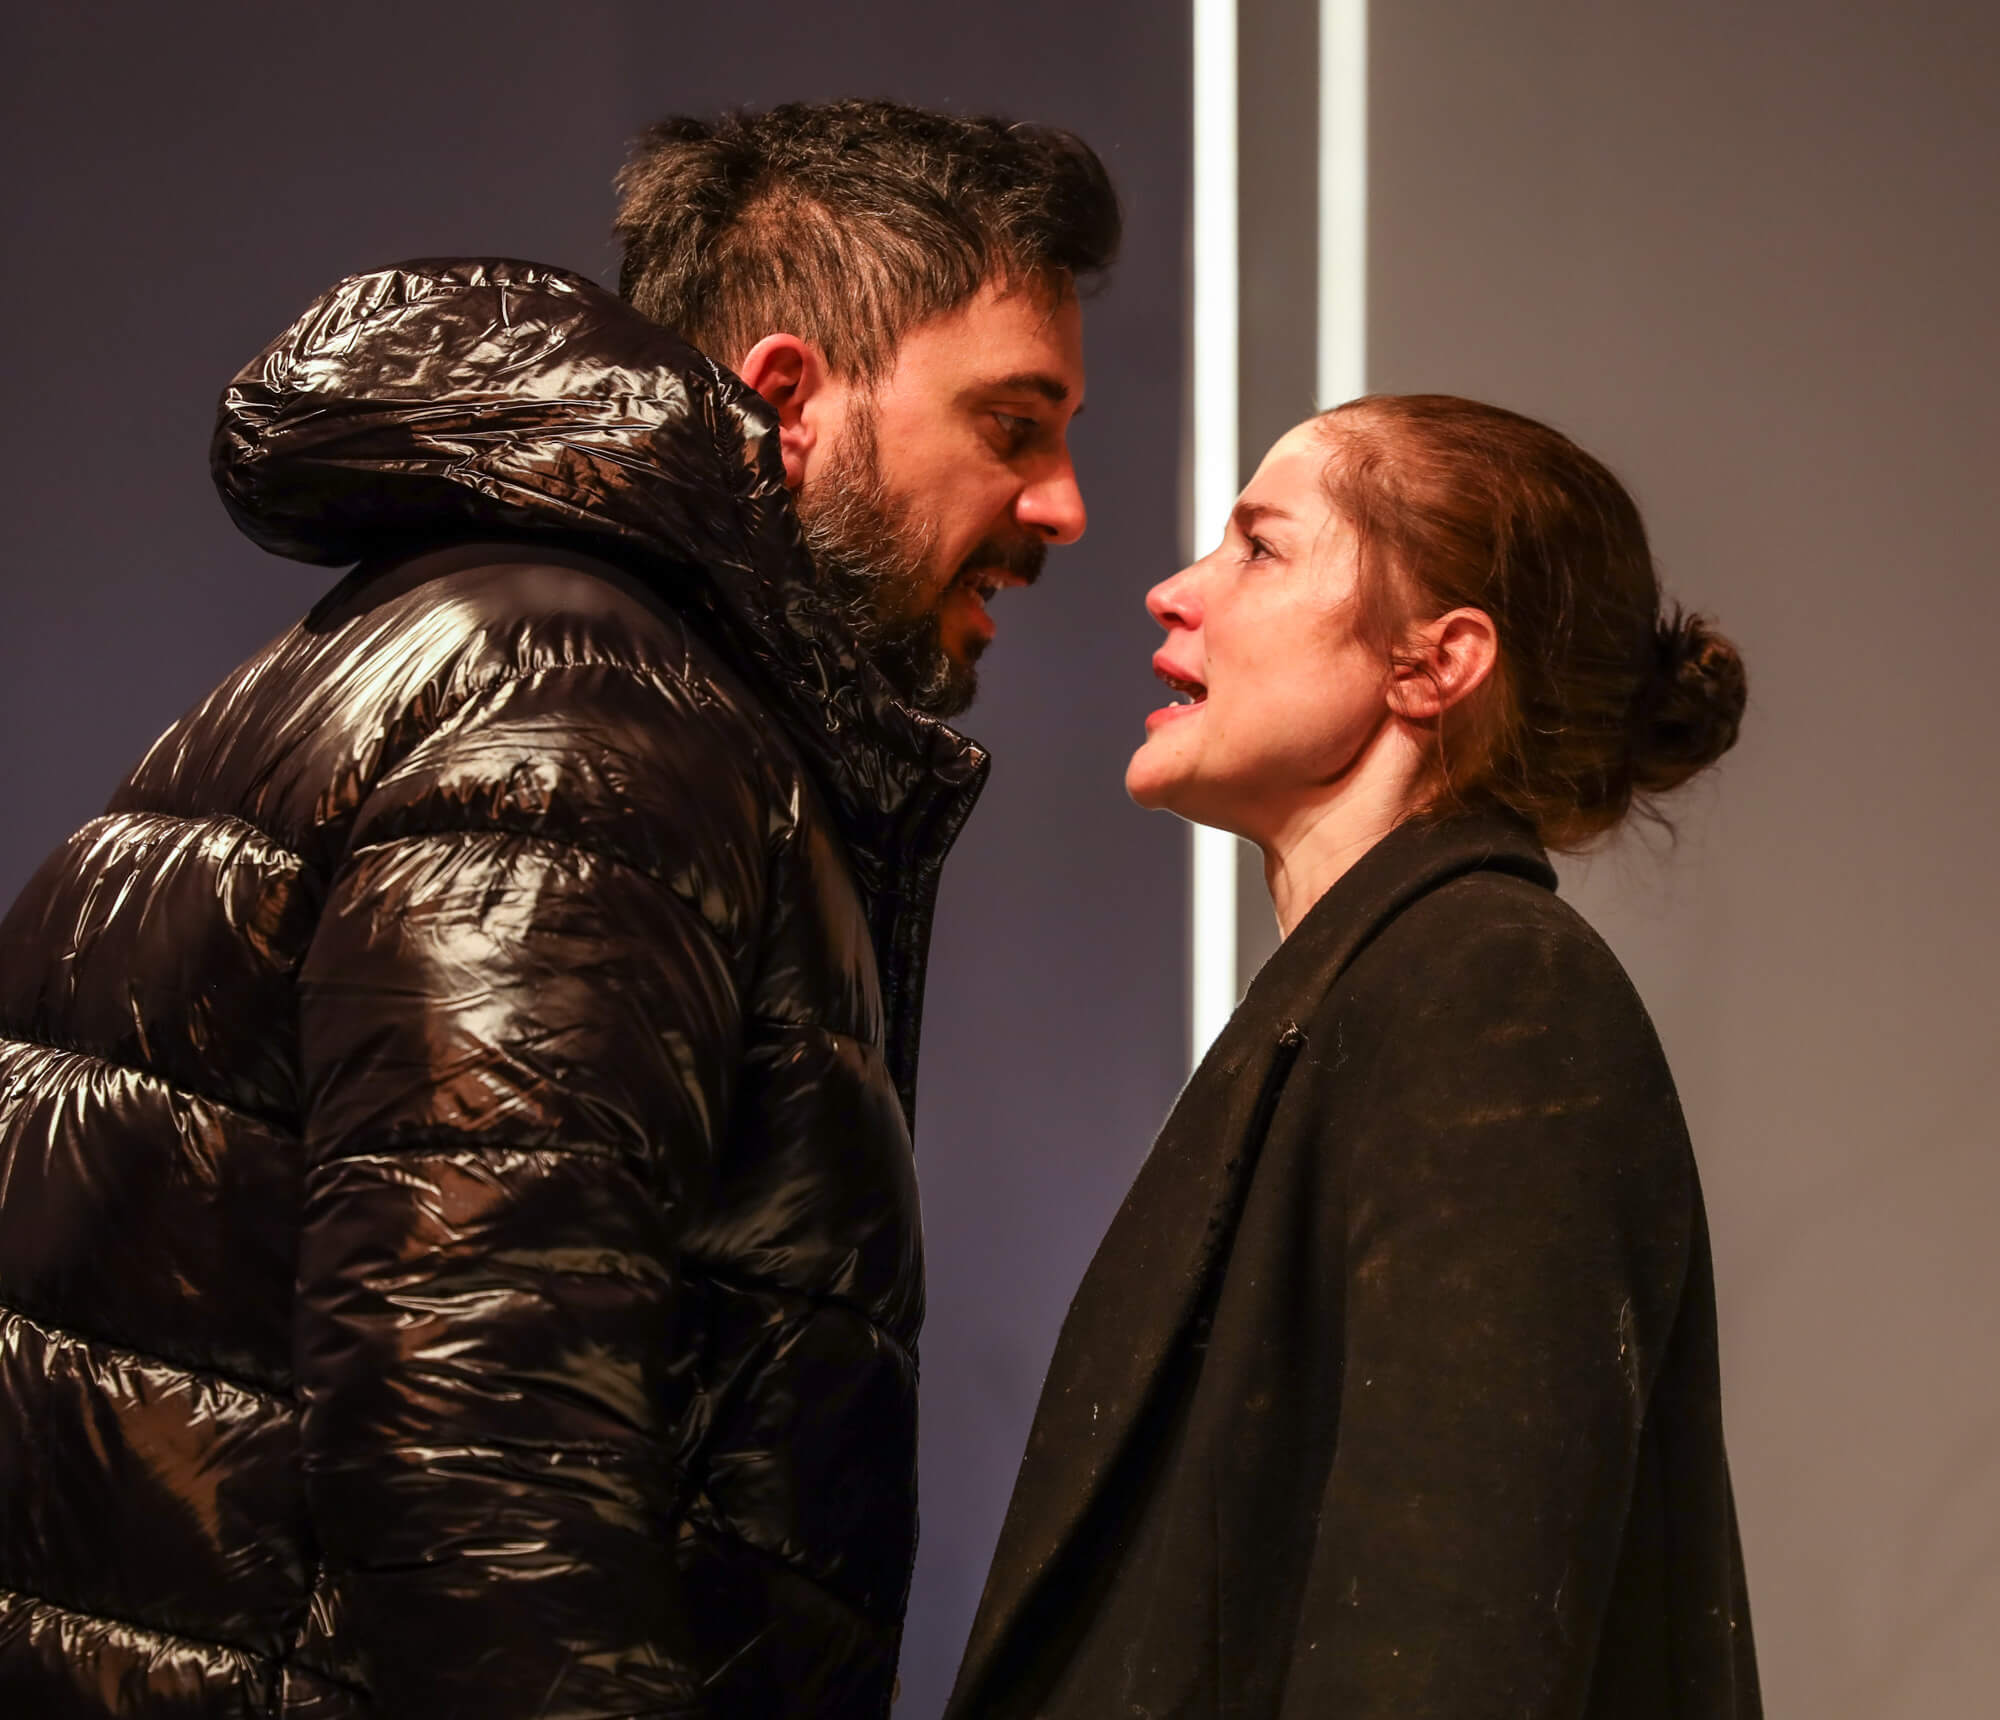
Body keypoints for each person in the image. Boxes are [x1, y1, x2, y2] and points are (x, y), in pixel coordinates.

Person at [0, 101, 1115, 1719]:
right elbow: (480, 1446)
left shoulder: (511, 653)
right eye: (1013, 425)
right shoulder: (589, 721)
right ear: (788, 400)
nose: (1063, 505)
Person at [947, 395, 1761, 1719]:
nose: (1172, 591)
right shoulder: (1371, 997)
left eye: (1260, 548)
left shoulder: (1492, 991)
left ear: (1434, 664)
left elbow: (1448, 1644)